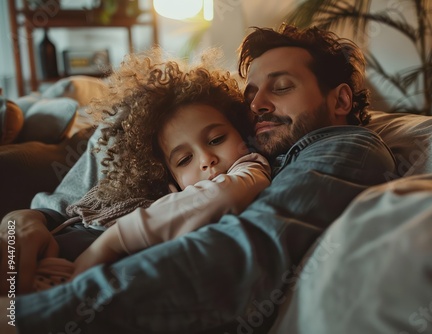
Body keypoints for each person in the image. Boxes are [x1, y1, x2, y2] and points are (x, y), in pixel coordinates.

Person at [0, 24, 396, 333]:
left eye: (281, 87)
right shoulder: (249, 150)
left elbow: (244, 251)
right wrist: (24, 222)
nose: (257, 104)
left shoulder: (346, 147)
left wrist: (35, 316)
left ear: (341, 100)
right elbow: (67, 201)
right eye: (252, 94)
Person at [4, 48, 272, 291]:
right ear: (168, 174)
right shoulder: (140, 174)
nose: (206, 159)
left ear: (240, 130)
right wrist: (25, 221)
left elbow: (223, 194)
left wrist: (107, 245)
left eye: (216, 140)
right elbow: (54, 210)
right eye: (183, 160)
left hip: (69, 271)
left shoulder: (249, 168)